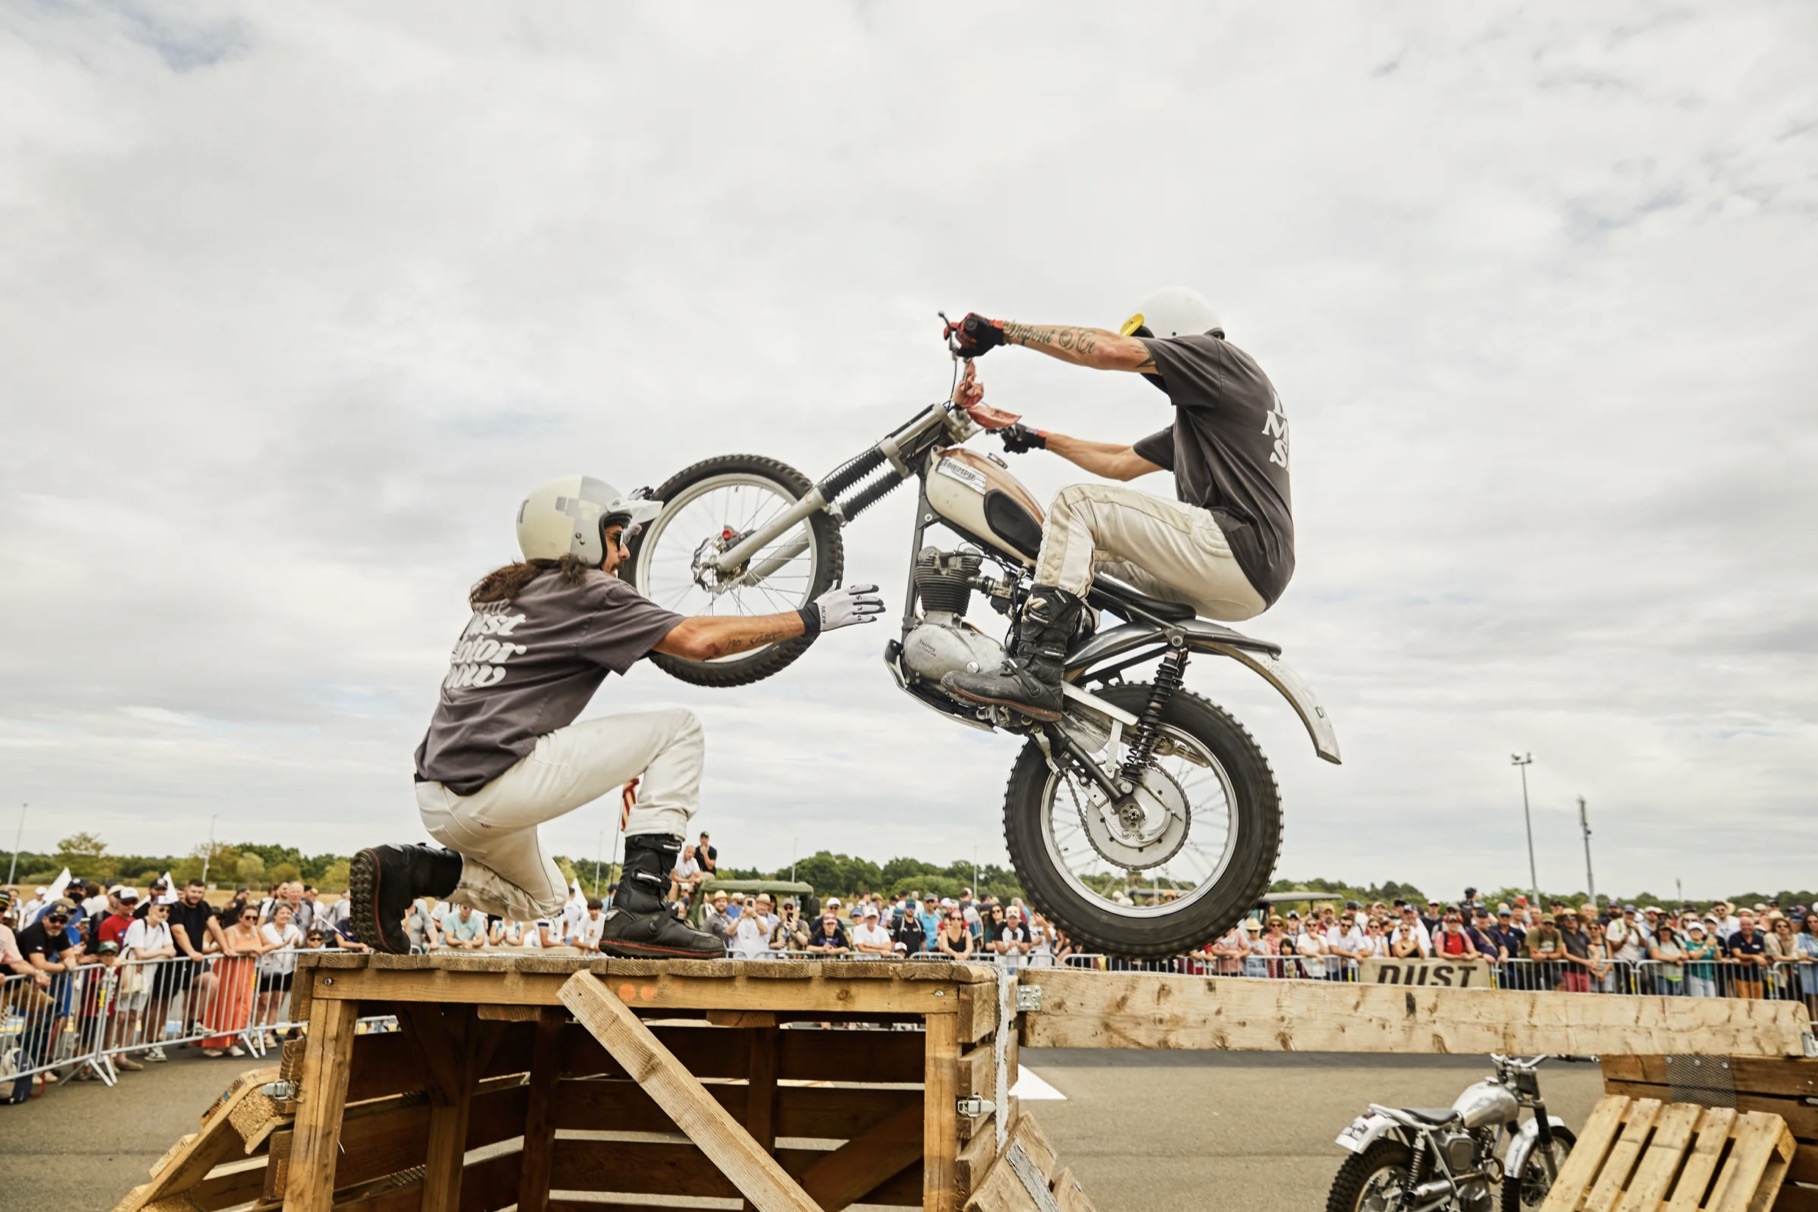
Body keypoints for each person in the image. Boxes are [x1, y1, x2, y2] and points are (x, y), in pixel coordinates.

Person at [353, 475, 883, 959]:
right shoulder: (587, 592)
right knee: (679, 730)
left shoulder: (507, 596)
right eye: (614, 538)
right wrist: (808, 618)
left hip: (439, 798)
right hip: (496, 783)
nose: (625, 552)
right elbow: (698, 642)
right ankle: (641, 906)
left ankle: (407, 870)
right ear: (578, 538)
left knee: (545, 899)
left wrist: (622, 523)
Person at [940, 289, 1293, 720]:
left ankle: (1037, 671)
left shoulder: (1217, 357)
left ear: (1175, 333)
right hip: (1247, 579)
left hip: (1237, 547)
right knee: (1066, 547)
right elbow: (1121, 462)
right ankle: (1068, 670)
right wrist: (1037, 438)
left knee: (1075, 504)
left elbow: (1107, 349)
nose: (1154, 371)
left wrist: (1002, 331)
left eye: (1149, 347)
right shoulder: (1210, 410)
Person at [202, 903, 266, 1058]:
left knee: (242, 1007)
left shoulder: (256, 930)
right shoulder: (231, 930)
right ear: (240, 917)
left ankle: (233, 1042)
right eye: (248, 917)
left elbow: (269, 945)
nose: (251, 920)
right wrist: (252, 949)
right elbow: (230, 948)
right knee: (224, 1005)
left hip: (246, 971)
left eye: (254, 918)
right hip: (228, 970)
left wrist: (260, 950)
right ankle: (213, 1043)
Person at [1724, 910, 1768, 999]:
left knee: (1758, 1001)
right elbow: (1738, 954)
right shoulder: (1734, 937)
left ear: (1753, 926)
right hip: (1740, 976)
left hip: (1757, 976)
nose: (1746, 927)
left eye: (1748, 925)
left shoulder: (1759, 938)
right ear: (1740, 926)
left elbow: (1762, 954)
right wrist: (1754, 957)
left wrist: (1748, 962)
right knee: (1743, 1001)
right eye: (1743, 925)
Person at [1683, 920, 1719, 998]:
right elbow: (1695, 957)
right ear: (1689, 933)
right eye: (1693, 931)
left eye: (1698, 931)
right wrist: (1706, 946)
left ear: (1702, 933)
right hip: (1695, 976)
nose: (1696, 932)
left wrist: (1715, 945)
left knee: (1712, 1000)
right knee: (1698, 1000)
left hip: (1709, 976)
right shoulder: (1687, 944)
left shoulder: (1707, 943)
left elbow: (1718, 957)